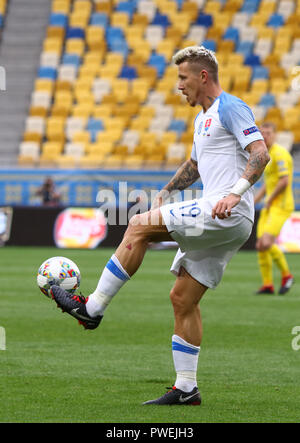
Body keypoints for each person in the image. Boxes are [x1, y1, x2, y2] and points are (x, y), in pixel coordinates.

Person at [50, 46, 270, 406]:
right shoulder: (203, 119)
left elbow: (261, 154)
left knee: (137, 226)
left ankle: (92, 308)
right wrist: (167, 192)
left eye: (183, 78)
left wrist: (234, 194)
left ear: (202, 76)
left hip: (226, 211)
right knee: (182, 299)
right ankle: (186, 389)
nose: (178, 86)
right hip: (225, 219)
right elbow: (195, 166)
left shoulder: (231, 107)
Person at [254, 122, 294, 295]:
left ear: (275, 135)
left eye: (268, 133)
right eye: (262, 133)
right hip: (269, 206)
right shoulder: (266, 155)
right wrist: (255, 201)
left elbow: (284, 182)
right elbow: (267, 184)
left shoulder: (280, 154)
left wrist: (269, 199)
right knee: (260, 246)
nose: (265, 136)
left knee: (266, 243)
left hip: (280, 206)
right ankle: (268, 285)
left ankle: (287, 276)